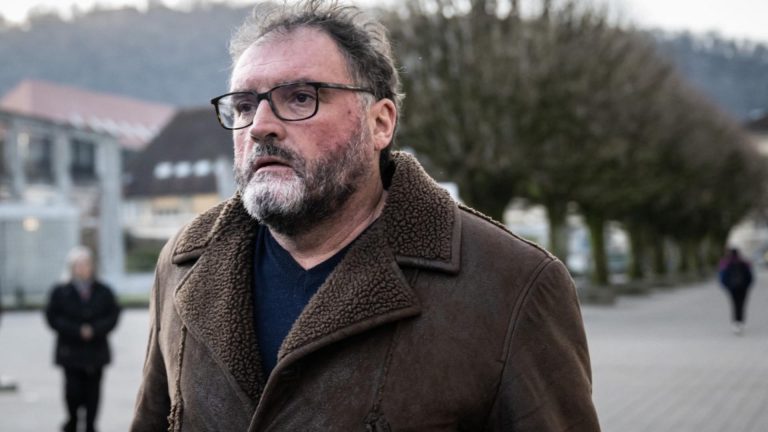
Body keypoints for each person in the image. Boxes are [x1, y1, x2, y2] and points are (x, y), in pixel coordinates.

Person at [130, 1, 600, 430]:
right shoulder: (184, 264)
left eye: (301, 97)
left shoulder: (511, 284)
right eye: (244, 105)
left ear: (380, 123)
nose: (260, 127)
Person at [46, 246, 121, 432]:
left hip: (96, 351)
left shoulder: (104, 291)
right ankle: (72, 421)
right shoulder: (60, 291)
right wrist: (77, 330)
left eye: (86, 264)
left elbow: (113, 315)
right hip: (70, 351)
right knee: (72, 391)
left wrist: (94, 329)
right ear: (71, 267)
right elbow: (53, 317)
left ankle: (90, 425)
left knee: (93, 393)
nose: (82, 268)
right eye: (78, 264)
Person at [718, 247, 754, 334]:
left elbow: (722, 276)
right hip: (743, 288)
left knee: (734, 304)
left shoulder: (725, 263)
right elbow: (750, 276)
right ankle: (740, 322)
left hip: (732, 288)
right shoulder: (744, 262)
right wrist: (747, 286)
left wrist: (726, 286)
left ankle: (735, 323)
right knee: (741, 305)